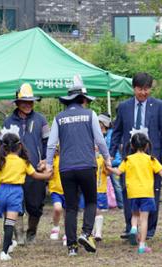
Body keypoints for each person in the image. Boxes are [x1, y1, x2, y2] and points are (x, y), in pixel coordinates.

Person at [46, 75, 111, 256]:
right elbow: (99, 139)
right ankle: (86, 232)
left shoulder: (59, 118)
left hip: (66, 168)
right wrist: (106, 158)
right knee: (91, 201)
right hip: (87, 165)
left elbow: (51, 144)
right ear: (83, 100)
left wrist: (50, 164)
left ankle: (72, 247)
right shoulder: (90, 114)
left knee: (71, 207)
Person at [0, 132, 51, 261]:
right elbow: (35, 175)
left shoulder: (1, 160)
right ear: (19, 146)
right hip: (15, 192)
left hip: (1, 192)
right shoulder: (23, 162)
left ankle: (9, 243)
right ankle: (4, 251)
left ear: (4, 147)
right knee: (10, 222)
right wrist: (48, 176)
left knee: (6, 220)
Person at [110, 72, 162, 240]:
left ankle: (149, 229)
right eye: (140, 89)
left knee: (152, 191)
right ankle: (131, 227)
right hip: (129, 156)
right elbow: (116, 132)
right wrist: (110, 154)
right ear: (133, 88)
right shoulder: (124, 107)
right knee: (128, 190)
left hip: (152, 155)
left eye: (146, 89)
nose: (143, 93)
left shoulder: (158, 106)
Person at [108, 133, 162, 254]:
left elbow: (118, 172)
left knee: (135, 214)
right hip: (146, 193)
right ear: (146, 146)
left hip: (132, 192)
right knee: (144, 219)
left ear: (132, 146)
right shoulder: (151, 159)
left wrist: (109, 168)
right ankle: (142, 245)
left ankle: (133, 228)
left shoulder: (128, 159)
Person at [3, 83, 50, 245]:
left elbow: (47, 142)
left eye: (30, 101)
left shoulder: (41, 119)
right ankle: (19, 235)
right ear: (17, 102)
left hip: (36, 168)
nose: (28, 104)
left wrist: (46, 160)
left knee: (35, 205)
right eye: (24, 101)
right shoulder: (8, 121)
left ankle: (32, 231)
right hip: (13, 169)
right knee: (15, 203)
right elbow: (2, 145)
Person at [98, 113, 123, 209]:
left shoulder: (112, 133)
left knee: (116, 184)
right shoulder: (98, 134)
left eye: (99, 122)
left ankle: (122, 205)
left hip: (114, 162)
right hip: (103, 163)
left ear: (103, 123)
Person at [48, 147, 67, 246]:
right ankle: (55, 227)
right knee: (57, 208)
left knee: (67, 213)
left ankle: (67, 233)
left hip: (68, 190)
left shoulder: (69, 158)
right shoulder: (52, 160)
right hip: (56, 190)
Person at [92, 147, 109, 241]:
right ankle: (94, 231)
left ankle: (98, 232)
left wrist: (107, 165)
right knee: (90, 210)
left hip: (100, 189)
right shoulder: (86, 158)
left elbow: (107, 172)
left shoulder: (102, 159)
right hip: (88, 189)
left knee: (97, 210)